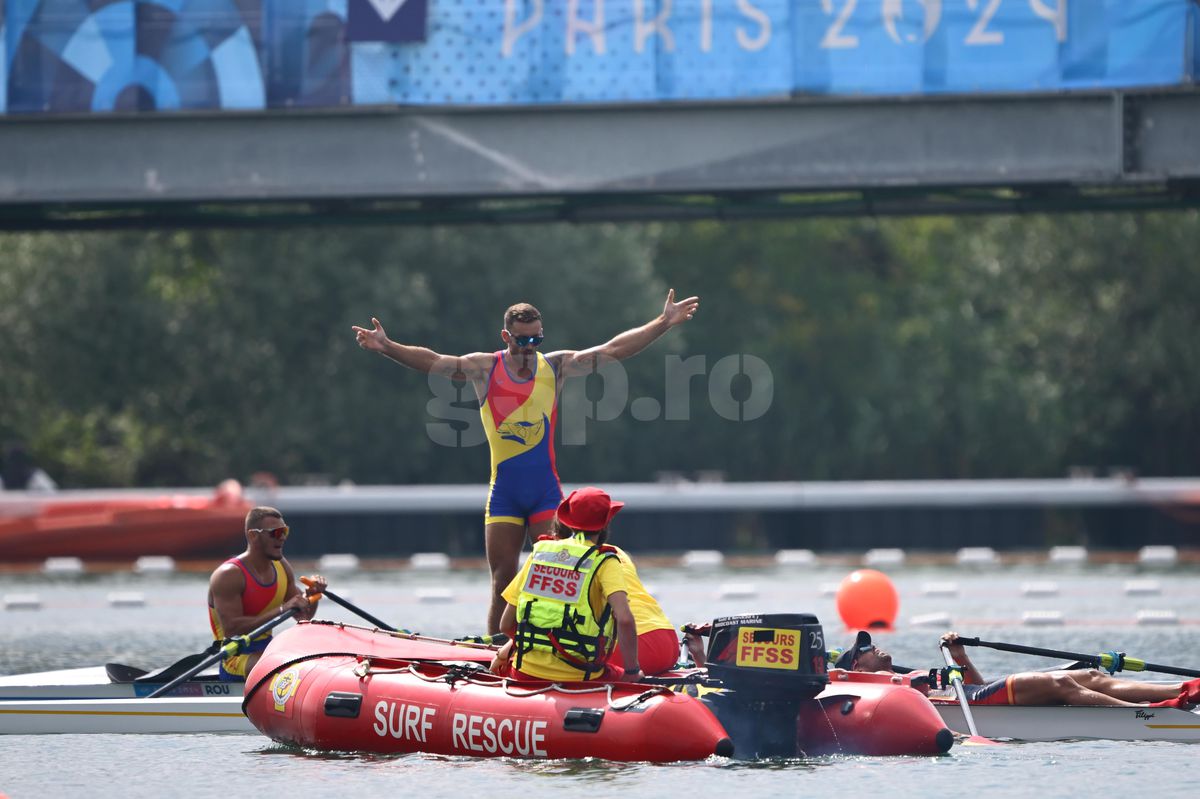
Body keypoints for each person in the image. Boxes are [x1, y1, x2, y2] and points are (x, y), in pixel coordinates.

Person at [353, 290, 700, 635]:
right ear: (506, 336)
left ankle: (556, 648)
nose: (530, 346)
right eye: (523, 339)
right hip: (504, 493)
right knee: (503, 581)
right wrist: (387, 346)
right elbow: (433, 361)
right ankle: (492, 652)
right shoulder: (484, 367)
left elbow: (612, 350)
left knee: (558, 577)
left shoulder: (556, 365)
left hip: (545, 494)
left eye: (537, 338)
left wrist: (663, 322)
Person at [493, 487, 643, 682]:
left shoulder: (540, 553)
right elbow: (624, 619)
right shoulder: (605, 561)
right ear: (606, 522)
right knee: (626, 674)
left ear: (569, 521)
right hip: (581, 676)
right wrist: (632, 672)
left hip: (525, 672)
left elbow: (505, 625)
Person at [835, 630, 1200, 709]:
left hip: (979, 695)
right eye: (864, 649)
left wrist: (960, 656)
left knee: (1088, 676)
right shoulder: (873, 686)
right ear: (855, 665)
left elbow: (974, 685)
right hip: (973, 708)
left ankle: (1183, 689)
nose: (875, 647)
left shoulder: (906, 673)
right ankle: (1149, 713)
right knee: (1060, 681)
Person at [207, 506, 327, 680]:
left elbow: (304, 616)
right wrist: (282, 609)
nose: (283, 538)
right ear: (253, 535)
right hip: (235, 657)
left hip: (269, 650)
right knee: (292, 666)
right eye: (276, 532)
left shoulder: (281, 566)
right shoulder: (228, 575)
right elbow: (232, 629)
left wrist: (313, 595)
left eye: (285, 531)